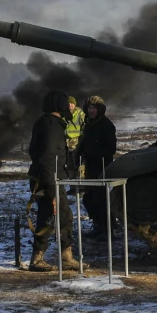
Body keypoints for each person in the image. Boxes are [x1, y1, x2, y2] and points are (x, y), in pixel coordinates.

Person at [28, 89, 80, 272]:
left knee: (60, 216)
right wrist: (51, 187)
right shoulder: (51, 125)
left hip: (52, 178)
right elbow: (47, 157)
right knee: (51, 217)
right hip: (49, 180)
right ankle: (38, 259)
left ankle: (65, 257)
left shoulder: (50, 123)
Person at [75, 95, 117, 234]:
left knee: (100, 199)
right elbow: (84, 142)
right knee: (88, 199)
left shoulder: (106, 125)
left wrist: (92, 153)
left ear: (100, 109)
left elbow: (111, 149)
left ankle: (106, 229)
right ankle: (99, 224)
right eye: (90, 108)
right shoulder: (89, 124)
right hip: (90, 168)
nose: (92, 111)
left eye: (94, 108)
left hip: (102, 167)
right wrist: (78, 155)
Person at [64, 96, 86, 165]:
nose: (70, 105)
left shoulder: (79, 113)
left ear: (75, 104)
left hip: (76, 142)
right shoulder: (63, 113)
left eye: (72, 103)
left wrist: (82, 138)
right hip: (66, 142)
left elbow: (84, 125)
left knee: (77, 162)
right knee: (68, 163)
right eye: (68, 103)